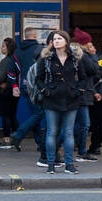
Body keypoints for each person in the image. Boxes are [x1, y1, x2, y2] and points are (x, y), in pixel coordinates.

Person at [34, 30, 87, 175]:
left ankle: (69, 164)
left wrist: (78, 91)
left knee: (68, 132)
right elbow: (38, 79)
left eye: (59, 38)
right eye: (54, 39)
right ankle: (50, 164)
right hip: (51, 99)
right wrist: (45, 91)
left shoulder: (75, 58)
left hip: (71, 99)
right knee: (52, 132)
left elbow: (83, 78)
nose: (56, 41)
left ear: (66, 41)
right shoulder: (46, 59)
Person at [9, 29, 48, 158]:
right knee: (40, 113)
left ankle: (39, 143)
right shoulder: (41, 49)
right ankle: (19, 134)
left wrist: (15, 86)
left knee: (35, 114)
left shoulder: (17, 52)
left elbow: (11, 71)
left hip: (25, 87)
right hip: (38, 86)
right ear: (35, 35)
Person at [0, 38, 19, 141]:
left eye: (3, 46)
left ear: (9, 48)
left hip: (6, 91)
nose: (1, 48)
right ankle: (17, 137)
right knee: (13, 115)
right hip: (15, 90)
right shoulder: (16, 59)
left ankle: (6, 139)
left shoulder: (5, 61)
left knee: (5, 115)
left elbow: (0, 77)